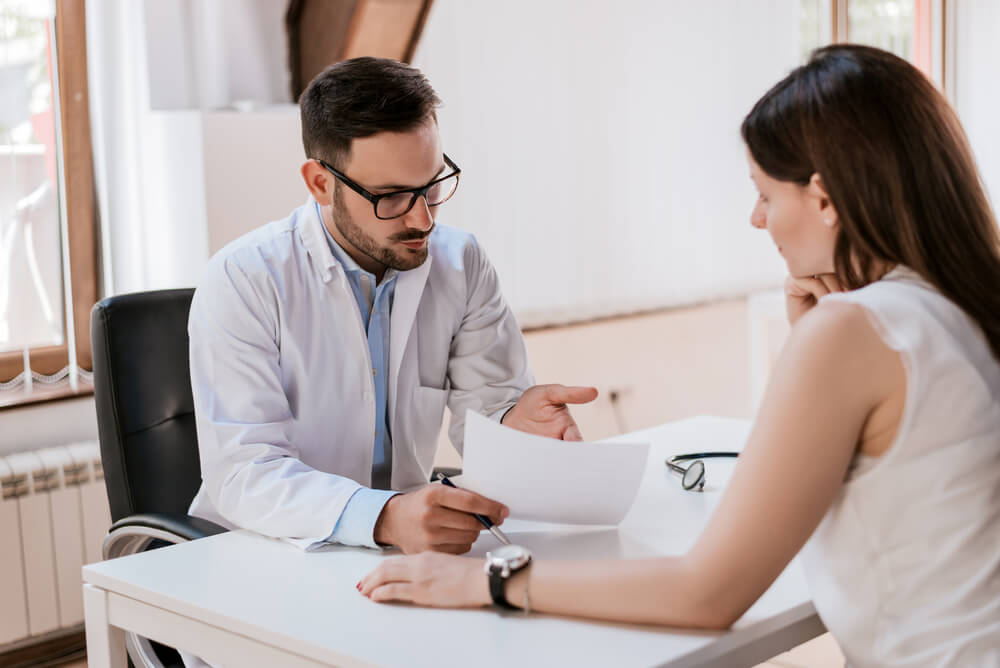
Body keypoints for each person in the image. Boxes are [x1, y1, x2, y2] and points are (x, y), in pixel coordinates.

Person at [359, 45, 1000, 667]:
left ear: (825, 199)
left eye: (766, 195)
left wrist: (485, 583)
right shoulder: (963, 305)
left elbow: (705, 594)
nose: (757, 219)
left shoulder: (853, 332)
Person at [187, 56, 597, 555]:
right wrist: (380, 516)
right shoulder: (244, 278)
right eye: (393, 197)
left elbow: (487, 411)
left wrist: (515, 427)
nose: (423, 218)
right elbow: (245, 471)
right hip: (268, 550)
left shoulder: (460, 262)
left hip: (403, 551)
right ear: (320, 183)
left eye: (431, 185)